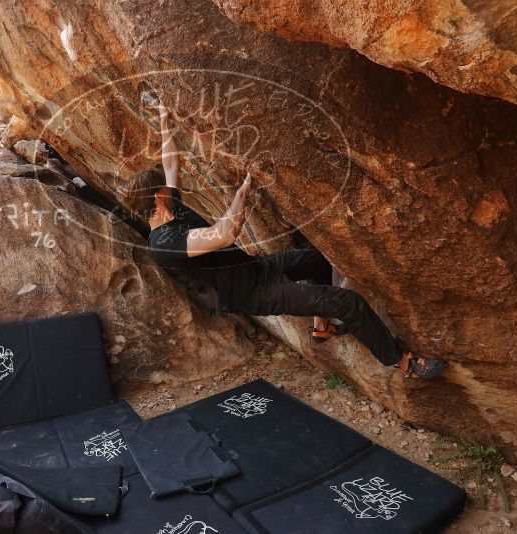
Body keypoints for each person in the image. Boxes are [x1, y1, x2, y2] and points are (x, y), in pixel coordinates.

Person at [120, 102, 447, 379]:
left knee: (318, 258)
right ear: (159, 199)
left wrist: (163, 118)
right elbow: (224, 234)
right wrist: (243, 192)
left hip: (256, 269)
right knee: (348, 303)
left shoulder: (168, 210)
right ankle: (402, 363)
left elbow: (171, 163)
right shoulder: (165, 243)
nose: (170, 186)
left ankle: (320, 328)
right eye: (165, 188)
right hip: (254, 292)